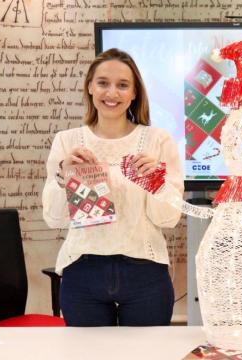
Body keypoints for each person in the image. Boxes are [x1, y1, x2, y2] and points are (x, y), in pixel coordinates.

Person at [42, 48, 183, 326]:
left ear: (134, 93)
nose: (112, 93)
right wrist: (64, 177)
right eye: (103, 83)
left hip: (146, 274)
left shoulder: (158, 141)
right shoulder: (66, 141)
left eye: (122, 85)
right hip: (82, 272)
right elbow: (54, 218)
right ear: (90, 87)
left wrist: (155, 182)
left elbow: (167, 219)